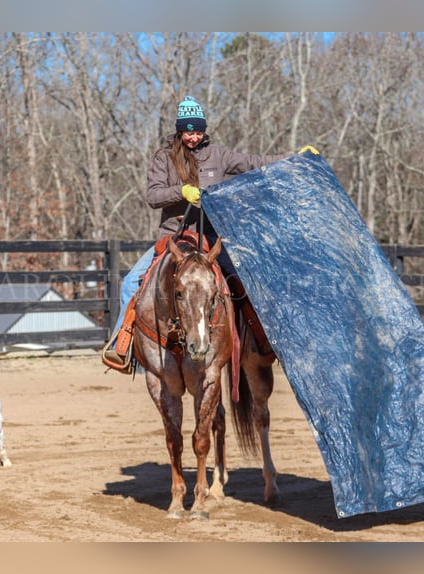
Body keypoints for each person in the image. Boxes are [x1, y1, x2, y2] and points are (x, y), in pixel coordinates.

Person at [102, 95, 318, 371]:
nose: (194, 137)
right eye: (189, 131)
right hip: (174, 239)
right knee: (132, 283)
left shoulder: (218, 154)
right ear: (180, 130)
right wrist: (180, 191)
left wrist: (294, 158)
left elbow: (253, 162)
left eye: (198, 130)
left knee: (248, 281)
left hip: (211, 240)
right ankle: (125, 348)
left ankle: (267, 344)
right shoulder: (164, 157)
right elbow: (153, 195)